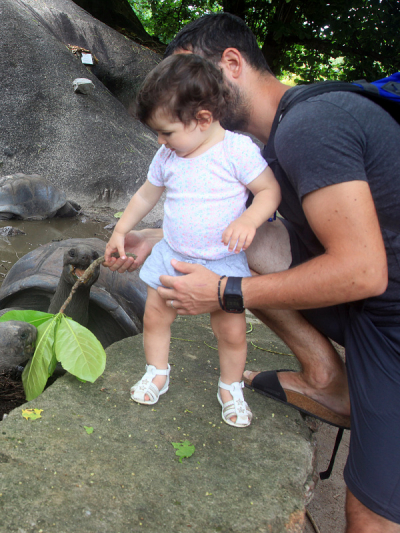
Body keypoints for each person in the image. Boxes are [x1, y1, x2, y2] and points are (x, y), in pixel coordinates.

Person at [104, 13, 400, 532]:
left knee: (370, 515)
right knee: (253, 241)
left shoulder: (314, 125)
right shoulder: (273, 137)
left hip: (389, 317)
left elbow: (364, 271)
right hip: (373, 306)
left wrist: (225, 291)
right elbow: (248, 226)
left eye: (187, 79)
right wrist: (158, 237)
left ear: (230, 66)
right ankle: (328, 380)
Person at [105, 53, 281, 428]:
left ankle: (230, 386)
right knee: (155, 316)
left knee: (231, 330)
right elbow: (145, 195)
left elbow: (268, 191)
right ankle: (157, 372)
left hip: (222, 259)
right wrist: (122, 229)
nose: (160, 140)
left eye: (166, 131)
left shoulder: (236, 151)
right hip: (173, 253)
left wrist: (250, 218)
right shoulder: (168, 155)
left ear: (202, 119)